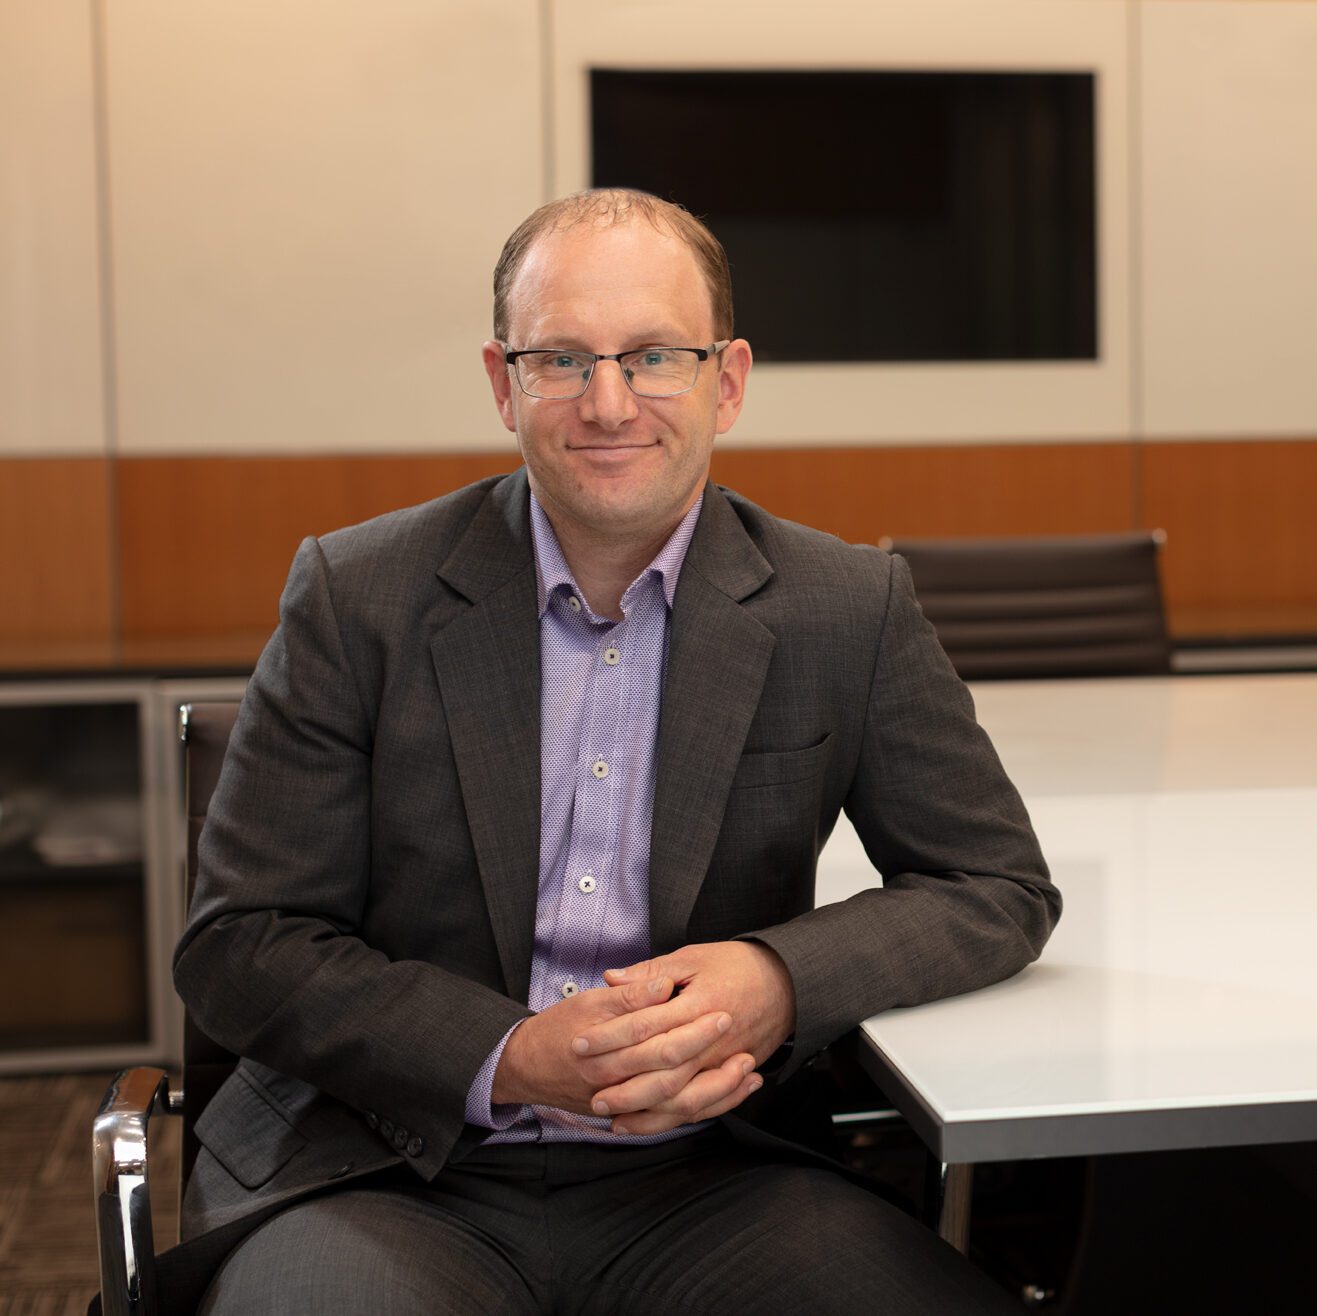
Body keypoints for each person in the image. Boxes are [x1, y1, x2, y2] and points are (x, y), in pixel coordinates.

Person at [165, 188, 1059, 1313]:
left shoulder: (848, 606)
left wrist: (779, 977)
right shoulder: (359, 596)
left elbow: (995, 885)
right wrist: (508, 1051)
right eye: (562, 360)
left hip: (715, 1181)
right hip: (383, 1168)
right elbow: (241, 942)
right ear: (503, 382)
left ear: (726, 381)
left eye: (653, 356)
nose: (608, 402)